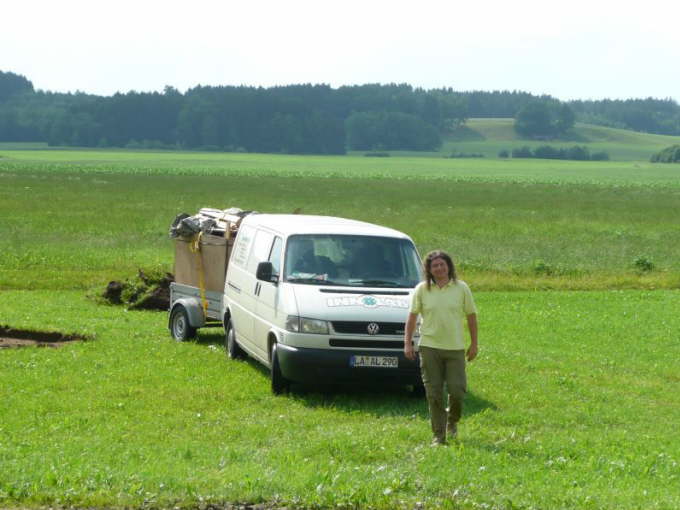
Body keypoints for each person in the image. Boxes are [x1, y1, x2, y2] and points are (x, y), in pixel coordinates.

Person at [404, 250, 478, 446]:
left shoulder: (461, 288)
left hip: (455, 348)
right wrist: (407, 342)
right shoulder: (421, 289)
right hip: (429, 347)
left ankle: (452, 421)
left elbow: (471, 316)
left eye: (442, 264)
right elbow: (412, 317)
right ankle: (439, 435)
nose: (439, 268)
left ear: (448, 266)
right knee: (433, 392)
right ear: (429, 269)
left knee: (457, 391)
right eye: (434, 265)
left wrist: (474, 344)